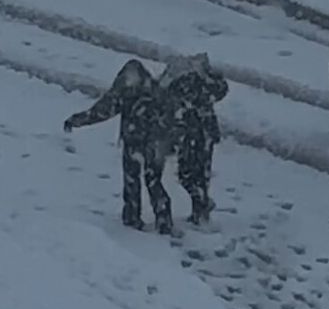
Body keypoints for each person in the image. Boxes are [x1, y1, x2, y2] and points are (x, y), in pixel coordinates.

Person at [63, 59, 174, 235]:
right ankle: (163, 219)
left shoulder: (125, 92)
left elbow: (102, 111)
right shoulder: (154, 89)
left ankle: (132, 217)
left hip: (134, 140)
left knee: (132, 179)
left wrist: (78, 120)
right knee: (154, 181)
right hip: (156, 142)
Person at [159, 53, 228, 225]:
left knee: (194, 174)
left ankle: (201, 208)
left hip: (197, 134)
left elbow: (220, 90)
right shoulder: (186, 84)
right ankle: (201, 206)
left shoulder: (200, 83)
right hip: (194, 134)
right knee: (193, 174)